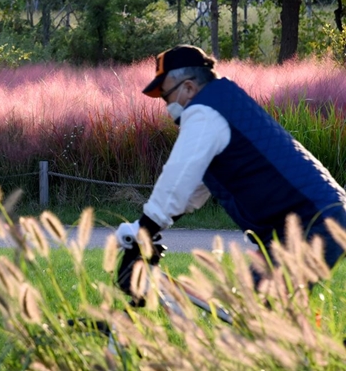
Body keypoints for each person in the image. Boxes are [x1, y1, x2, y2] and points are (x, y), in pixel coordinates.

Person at [115, 44, 346, 292]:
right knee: (246, 307)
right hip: (317, 220)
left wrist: (144, 230)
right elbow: (192, 188)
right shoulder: (225, 105)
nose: (166, 105)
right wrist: (150, 228)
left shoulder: (204, 111)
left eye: (165, 95)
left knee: (253, 315)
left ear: (189, 88)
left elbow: (178, 175)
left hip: (312, 226)